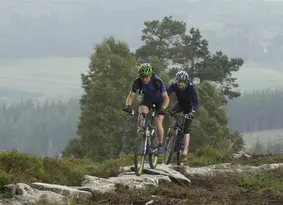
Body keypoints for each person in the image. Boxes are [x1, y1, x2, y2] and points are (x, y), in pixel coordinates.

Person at [123, 63, 170, 156]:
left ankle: (160, 145)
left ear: (150, 75)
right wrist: (128, 106)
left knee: (158, 122)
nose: (144, 79)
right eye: (142, 76)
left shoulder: (157, 81)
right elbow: (130, 96)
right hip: (148, 99)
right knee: (141, 115)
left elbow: (166, 98)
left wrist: (163, 109)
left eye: (146, 77)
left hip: (159, 101)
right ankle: (141, 136)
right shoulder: (137, 82)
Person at [167, 70, 199, 163]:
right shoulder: (174, 85)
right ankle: (173, 130)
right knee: (171, 113)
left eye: (182, 82)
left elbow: (195, 102)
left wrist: (192, 112)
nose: (180, 84)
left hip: (189, 107)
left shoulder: (191, 88)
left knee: (186, 129)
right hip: (180, 104)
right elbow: (166, 94)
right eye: (179, 82)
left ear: (186, 82)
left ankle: (185, 151)